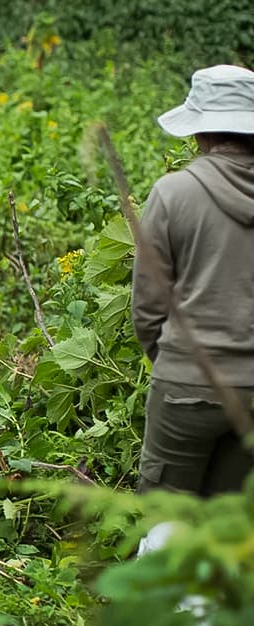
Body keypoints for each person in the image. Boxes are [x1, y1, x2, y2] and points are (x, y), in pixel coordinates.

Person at [132, 63, 254, 496]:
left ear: (200, 132)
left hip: (187, 385)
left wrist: (173, 361)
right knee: (231, 525)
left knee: (167, 522)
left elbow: (147, 306)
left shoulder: (173, 193)